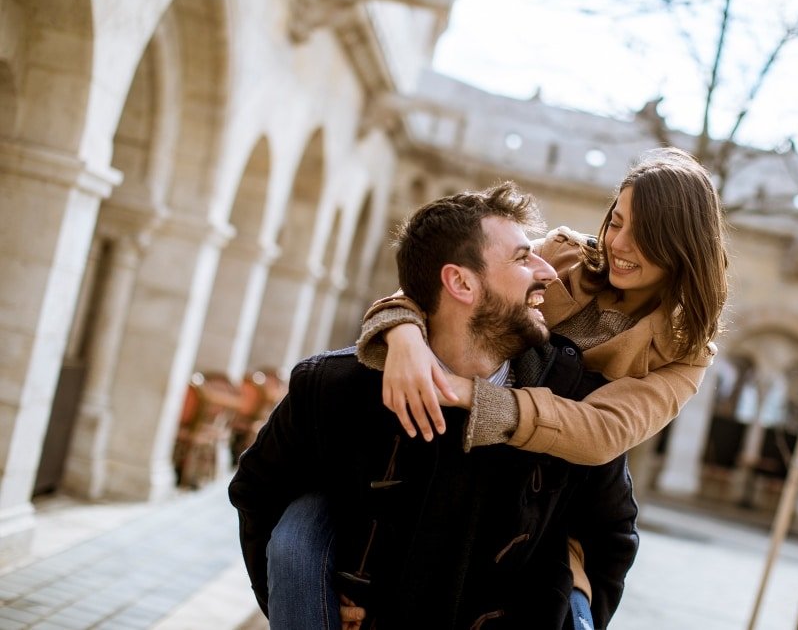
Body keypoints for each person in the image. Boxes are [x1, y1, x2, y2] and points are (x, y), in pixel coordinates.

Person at [229, 183, 639, 629]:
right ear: (460, 282)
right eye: (523, 258)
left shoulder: (574, 404)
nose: (548, 272)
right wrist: (302, 603)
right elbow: (258, 493)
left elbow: (612, 539)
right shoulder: (334, 388)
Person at [358, 146, 729, 469]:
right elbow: (443, 282)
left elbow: (603, 434)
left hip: (542, 486)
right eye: (616, 223)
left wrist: (469, 393)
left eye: (644, 235)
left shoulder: (686, 351)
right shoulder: (562, 256)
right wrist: (404, 337)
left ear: (683, 246)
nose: (619, 243)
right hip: (436, 440)